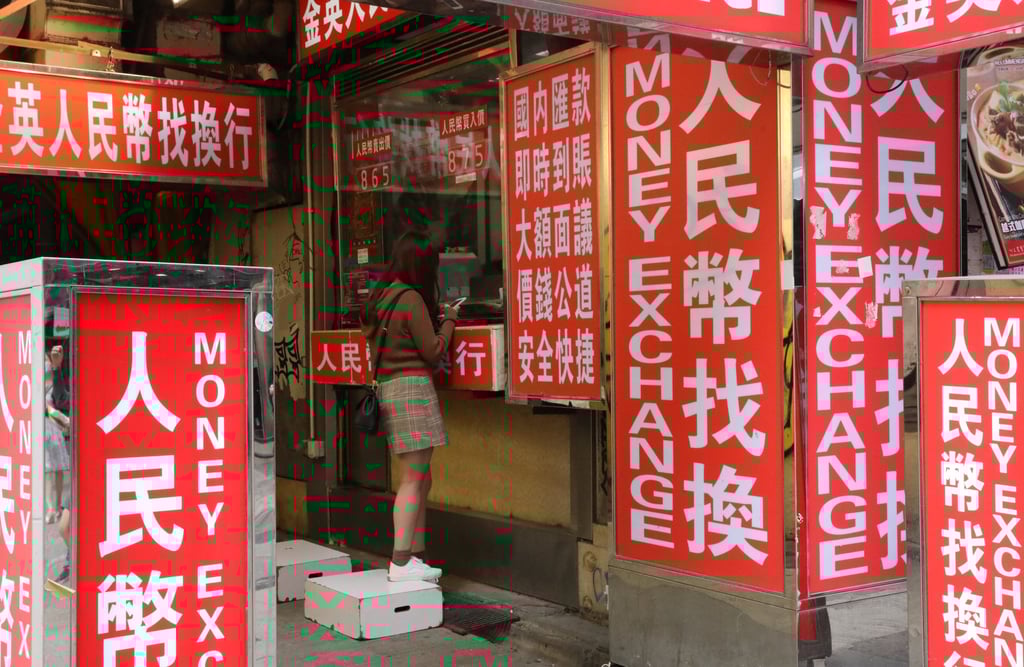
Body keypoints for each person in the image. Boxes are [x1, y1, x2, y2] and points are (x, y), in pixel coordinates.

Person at [361, 229, 459, 583]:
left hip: (389, 390)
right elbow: (432, 351)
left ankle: (414, 557)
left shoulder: (380, 298)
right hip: (412, 391)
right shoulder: (410, 299)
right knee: (413, 479)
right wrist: (449, 321)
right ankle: (401, 561)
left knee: (420, 477)